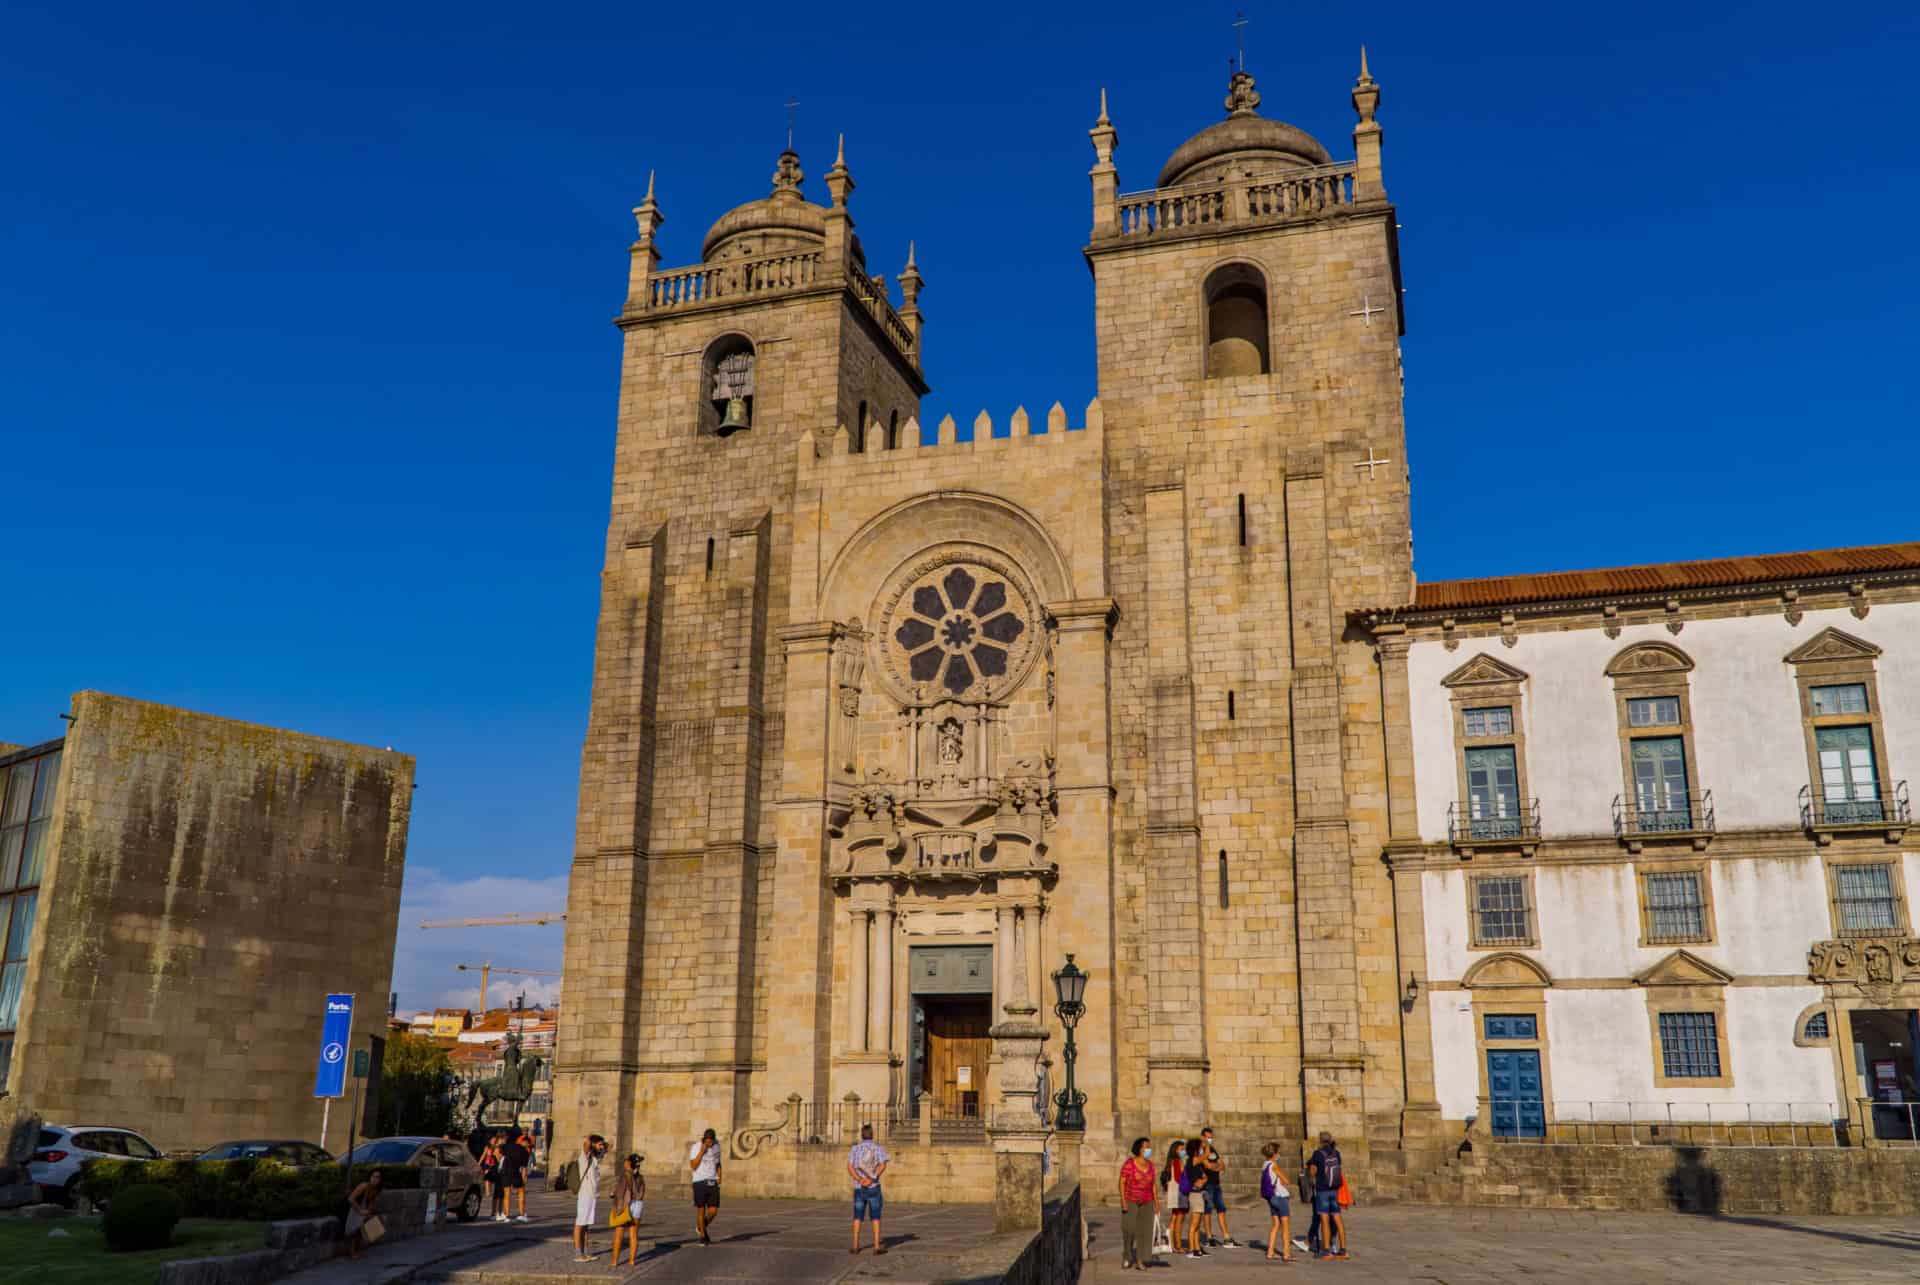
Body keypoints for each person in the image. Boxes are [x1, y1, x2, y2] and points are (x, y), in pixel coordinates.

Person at [846, 1122, 890, 1256]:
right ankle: (876, 1247)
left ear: (862, 1135)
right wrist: (872, 1178)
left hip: (859, 1188)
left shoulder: (855, 1149)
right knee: (875, 1217)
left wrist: (860, 1180)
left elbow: (850, 1167)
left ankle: (855, 1246)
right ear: (872, 1135)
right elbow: (883, 1165)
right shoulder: (878, 1148)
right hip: (873, 1187)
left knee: (857, 1216)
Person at [1117, 1136, 1158, 1271]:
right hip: (1131, 1200)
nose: (1149, 1149)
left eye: (1149, 1147)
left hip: (1147, 1201)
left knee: (1145, 1232)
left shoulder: (1151, 1165)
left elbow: (1153, 1185)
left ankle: (1140, 1260)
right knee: (1129, 1229)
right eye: (1146, 1146)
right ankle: (1127, 1255)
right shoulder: (1130, 1163)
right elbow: (1122, 1182)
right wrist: (1123, 1201)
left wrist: (1156, 1202)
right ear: (1139, 1149)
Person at [1308, 1131, 1348, 1260]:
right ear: (1331, 1140)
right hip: (1335, 1190)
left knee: (1324, 1219)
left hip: (1323, 1191)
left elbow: (1312, 1171)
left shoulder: (1317, 1154)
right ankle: (1343, 1250)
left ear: (1320, 1140)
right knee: (1337, 1218)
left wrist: (1312, 1176)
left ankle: (1326, 1251)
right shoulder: (1336, 1153)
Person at [1198, 1126, 1237, 1248]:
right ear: (1202, 1137)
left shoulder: (1213, 1149)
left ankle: (1226, 1237)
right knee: (1207, 1210)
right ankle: (1209, 1237)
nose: (1209, 1139)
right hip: (1207, 1184)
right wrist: (1215, 1166)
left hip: (1216, 1183)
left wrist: (1214, 1166)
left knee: (1221, 1209)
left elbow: (1222, 1165)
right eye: (1207, 1137)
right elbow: (1207, 1165)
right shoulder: (1200, 1151)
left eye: (1211, 1137)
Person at [571, 1135, 608, 1263]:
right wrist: (590, 1140)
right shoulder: (584, 1157)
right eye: (599, 1144)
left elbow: (606, 1148)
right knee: (579, 1224)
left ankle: (585, 1252)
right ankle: (577, 1253)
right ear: (593, 1144)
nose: (602, 1147)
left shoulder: (594, 1158)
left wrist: (603, 1145)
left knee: (586, 1226)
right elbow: (586, 1145)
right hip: (585, 1195)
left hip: (592, 1195)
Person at [1260, 1141, 1294, 1262]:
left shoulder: (1265, 1164)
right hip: (1280, 1197)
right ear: (1274, 1154)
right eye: (1278, 1152)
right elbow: (1286, 1181)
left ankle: (1270, 1251)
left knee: (1275, 1225)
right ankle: (1286, 1253)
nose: (1279, 1154)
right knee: (1285, 1227)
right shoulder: (1274, 1165)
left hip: (1271, 1198)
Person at [611, 1152, 646, 1269]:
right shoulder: (641, 1177)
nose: (624, 1163)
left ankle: (614, 1261)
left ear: (629, 1164)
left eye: (626, 1161)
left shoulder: (625, 1175)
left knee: (619, 1235)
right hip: (638, 1205)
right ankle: (631, 1261)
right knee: (634, 1235)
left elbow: (620, 1193)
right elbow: (642, 1193)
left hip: (626, 1206)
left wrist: (615, 1204)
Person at [688, 1127, 722, 1246]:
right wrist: (702, 1152)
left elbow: (718, 1162)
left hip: (713, 1181)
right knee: (701, 1209)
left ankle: (700, 1227)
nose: (710, 1144)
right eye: (707, 1141)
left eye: (711, 1141)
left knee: (713, 1211)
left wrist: (720, 1177)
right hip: (699, 1181)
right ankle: (703, 1236)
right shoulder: (696, 1147)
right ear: (704, 1139)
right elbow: (693, 1166)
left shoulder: (717, 1146)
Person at [344, 1169, 384, 1260]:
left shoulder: (376, 1190)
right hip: (354, 1209)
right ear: (370, 1177)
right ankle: (352, 1251)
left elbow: (372, 1204)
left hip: (363, 1210)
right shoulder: (364, 1185)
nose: (375, 1179)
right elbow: (351, 1199)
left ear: (381, 1180)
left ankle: (357, 1249)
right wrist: (360, 1211)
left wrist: (369, 1212)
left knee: (372, 1225)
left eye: (378, 1177)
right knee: (356, 1230)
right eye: (373, 1176)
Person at [1160, 1138, 1189, 1259]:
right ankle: (1178, 1245)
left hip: (1173, 1191)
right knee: (1179, 1219)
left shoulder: (1170, 1161)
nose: (1183, 1151)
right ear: (1175, 1150)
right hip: (1179, 1191)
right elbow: (1179, 1177)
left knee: (1174, 1217)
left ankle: (1171, 1243)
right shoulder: (1177, 1161)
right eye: (1181, 1149)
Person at [1181, 1137, 1209, 1258]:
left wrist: (1203, 1180)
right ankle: (1192, 1249)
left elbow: (1204, 1177)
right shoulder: (1193, 1160)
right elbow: (1207, 1154)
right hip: (1195, 1194)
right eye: (1200, 1148)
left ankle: (1197, 1248)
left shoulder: (1196, 1163)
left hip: (1199, 1193)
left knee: (1198, 1224)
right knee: (1194, 1223)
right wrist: (1207, 1143)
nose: (1202, 1149)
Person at [500, 1129, 532, 1222]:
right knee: (521, 1192)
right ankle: (522, 1214)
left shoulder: (505, 1146)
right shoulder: (524, 1151)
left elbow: (498, 1153)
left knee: (507, 1194)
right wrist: (524, 1179)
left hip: (506, 1171)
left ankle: (506, 1215)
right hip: (516, 1172)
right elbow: (524, 1168)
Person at [480, 1134, 505, 1221]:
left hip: (499, 1172)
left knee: (500, 1194)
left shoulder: (500, 1149)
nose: (503, 1141)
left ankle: (498, 1212)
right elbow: (499, 1160)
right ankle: (495, 1213)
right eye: (501, 1140)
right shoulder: (497, 1149)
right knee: (499, 1193)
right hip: (498, 1172)